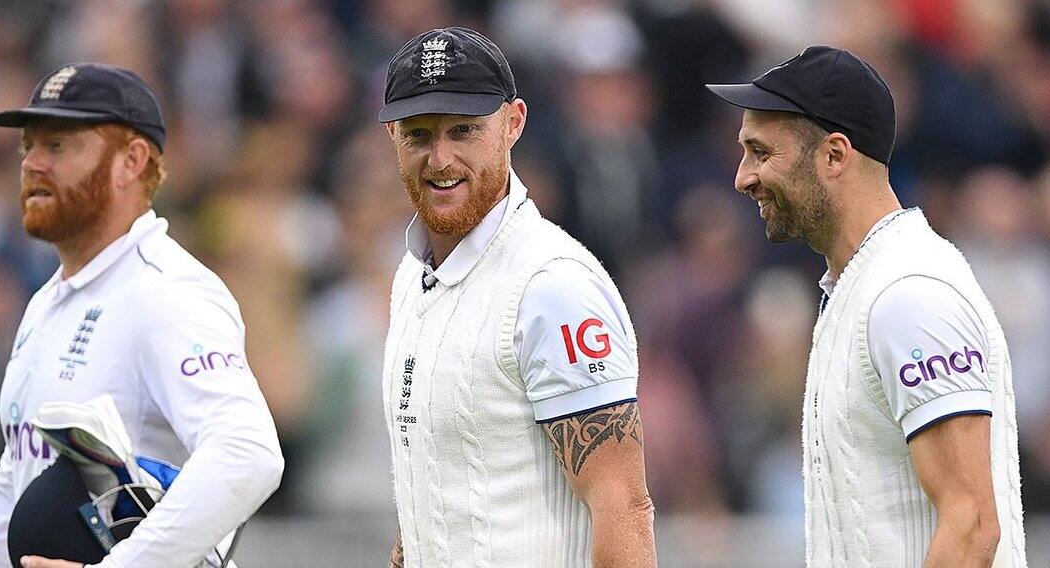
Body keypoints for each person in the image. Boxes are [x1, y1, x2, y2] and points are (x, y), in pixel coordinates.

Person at [0, 63, 284, 568]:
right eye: (28, 145)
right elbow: (17, 477)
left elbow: (248, 454)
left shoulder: (166, 290)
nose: (32, 162)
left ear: (131, 161)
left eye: (59, 145)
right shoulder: (47, 302)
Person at [706, 46, 1026, 566]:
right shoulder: (860, 287)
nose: (743, 177)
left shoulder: (909, 293)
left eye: (761, 153)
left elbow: (972, 526)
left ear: (834, 155)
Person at [377, 28, 656, 567]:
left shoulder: (552, 285)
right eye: (418, 135)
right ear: (391, 135)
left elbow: (625, 508)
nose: (440, 159)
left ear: (513, 123)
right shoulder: (411, 280)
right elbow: (431, 494)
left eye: (463, 131)